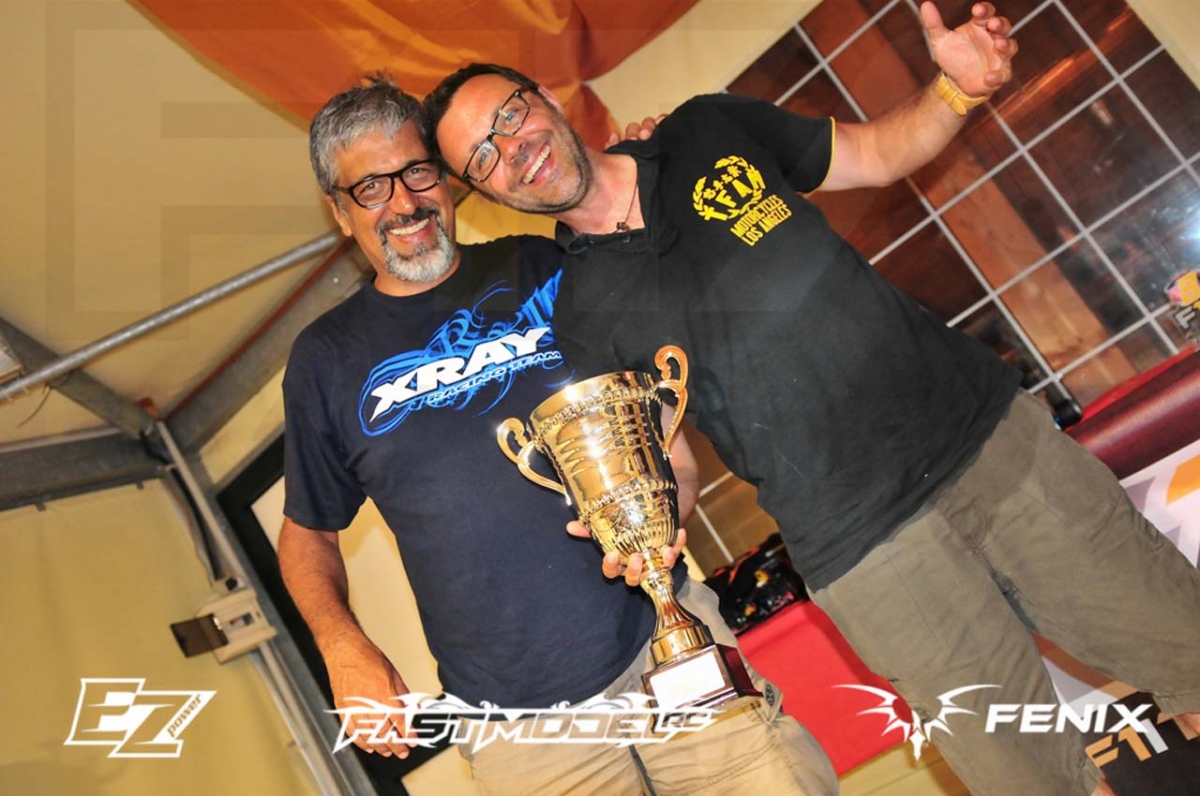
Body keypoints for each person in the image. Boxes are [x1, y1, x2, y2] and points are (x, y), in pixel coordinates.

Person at [425, 3, 1200, 795]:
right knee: (1032, 783)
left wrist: (956, 91)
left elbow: (875, 151)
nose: (512, 149)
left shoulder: (705, 130)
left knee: (1190, 654)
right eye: (483, 156)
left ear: (545, 99)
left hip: (987, 445)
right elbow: (672, 459)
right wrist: (649, 531)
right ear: (482, 191)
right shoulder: (583, 317)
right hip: (865, 554)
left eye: (509, 115)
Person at [278, 74, 839, 796]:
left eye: (417, 171)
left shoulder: (546, 264)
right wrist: (340, 643)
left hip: (662, 635)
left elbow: (662, 424)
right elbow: (307, 534)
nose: (404, 202)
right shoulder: (325, 361)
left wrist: (653, 158)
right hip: (522, 733)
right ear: (338, 209)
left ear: (445, 179)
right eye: (370, 188)